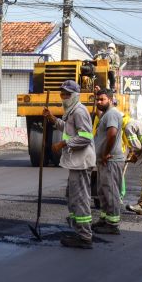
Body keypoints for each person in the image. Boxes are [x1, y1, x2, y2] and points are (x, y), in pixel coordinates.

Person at [43, 80, 96, 249]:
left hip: (81, 162)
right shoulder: (72, 111)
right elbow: (68, 129)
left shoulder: (79, 111)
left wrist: (63, 144)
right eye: (62, 94)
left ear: (74, 95)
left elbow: (86, 137)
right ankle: (79, 231)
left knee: (80, 199)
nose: (63, 97)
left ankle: (85, 236)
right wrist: (52, 119)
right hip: (76, 162)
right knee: (73, 197)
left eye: (66, 94)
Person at [91, 89, 125, 235]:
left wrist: (105, 153)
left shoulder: (111, 114)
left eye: (102, 99)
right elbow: (99, 116)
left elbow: (112, 134)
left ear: (110, 100)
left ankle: (112, 224)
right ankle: (105, 219)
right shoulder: (106, 114)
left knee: (110, 191)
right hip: (104, 160)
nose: (99, 102)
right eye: (97, 99)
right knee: (103, 191)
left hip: (110, 160)